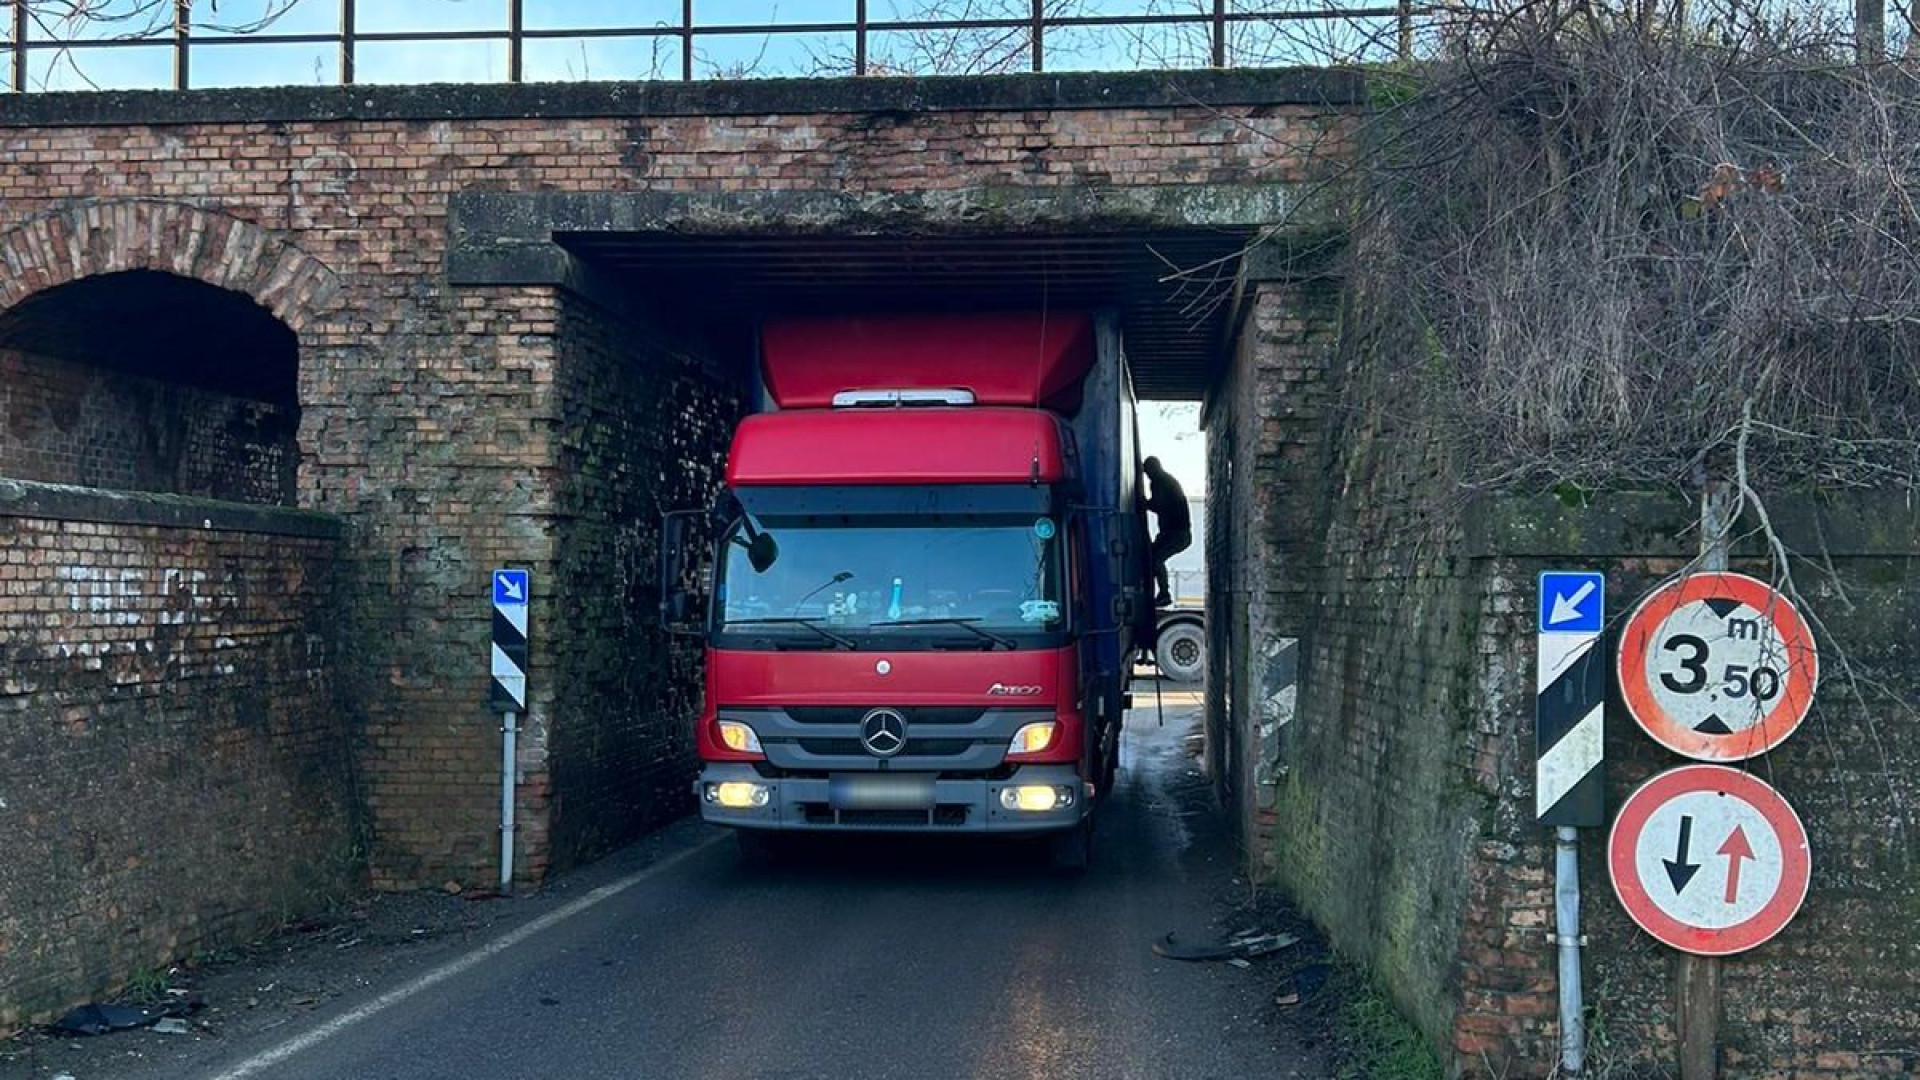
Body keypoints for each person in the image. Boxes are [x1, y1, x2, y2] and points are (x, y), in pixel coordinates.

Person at [1142, 456, 1191, 608]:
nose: (1147, 475)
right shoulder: (1163, 481)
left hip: (1177, 534)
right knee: (1149, 557)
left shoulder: (1161, 482)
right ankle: (1153, 591)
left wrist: (1144, 503)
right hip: (1171, 533)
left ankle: (1164, 594)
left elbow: (1160, 505)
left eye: (1148, 471)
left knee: (1155, 559)